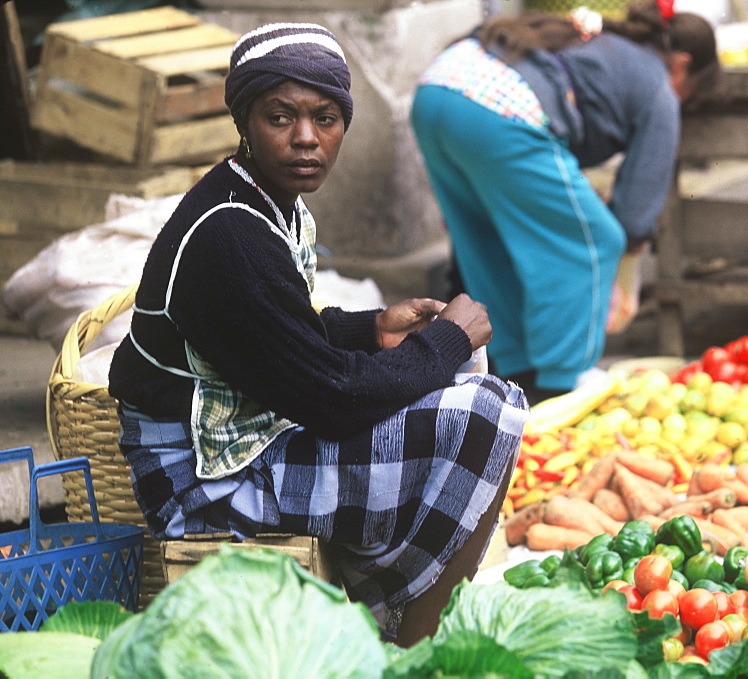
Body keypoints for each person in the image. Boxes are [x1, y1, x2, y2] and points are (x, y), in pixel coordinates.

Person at [107, 23, 529, 646]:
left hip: (246, 432)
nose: (307, 138)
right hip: (202, 477)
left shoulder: (267, 198)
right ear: (244, 122)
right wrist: (444, 343)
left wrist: (370, 328)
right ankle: (412, 636)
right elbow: (330, 400)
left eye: (325, 118)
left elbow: (277, 329)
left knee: (458, 394)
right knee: (490, 412)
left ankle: (395, 600)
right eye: (281, 116)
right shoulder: (230, 232)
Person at [410, 0, 721, 405]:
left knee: (489, 245)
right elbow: (632, 220)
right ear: (681, 65)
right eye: (690, 94)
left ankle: (507, 373)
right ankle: (556, 387)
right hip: (496, 108)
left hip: (438, 90)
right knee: (594, 242)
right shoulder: (660, 86)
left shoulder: (604, 42)